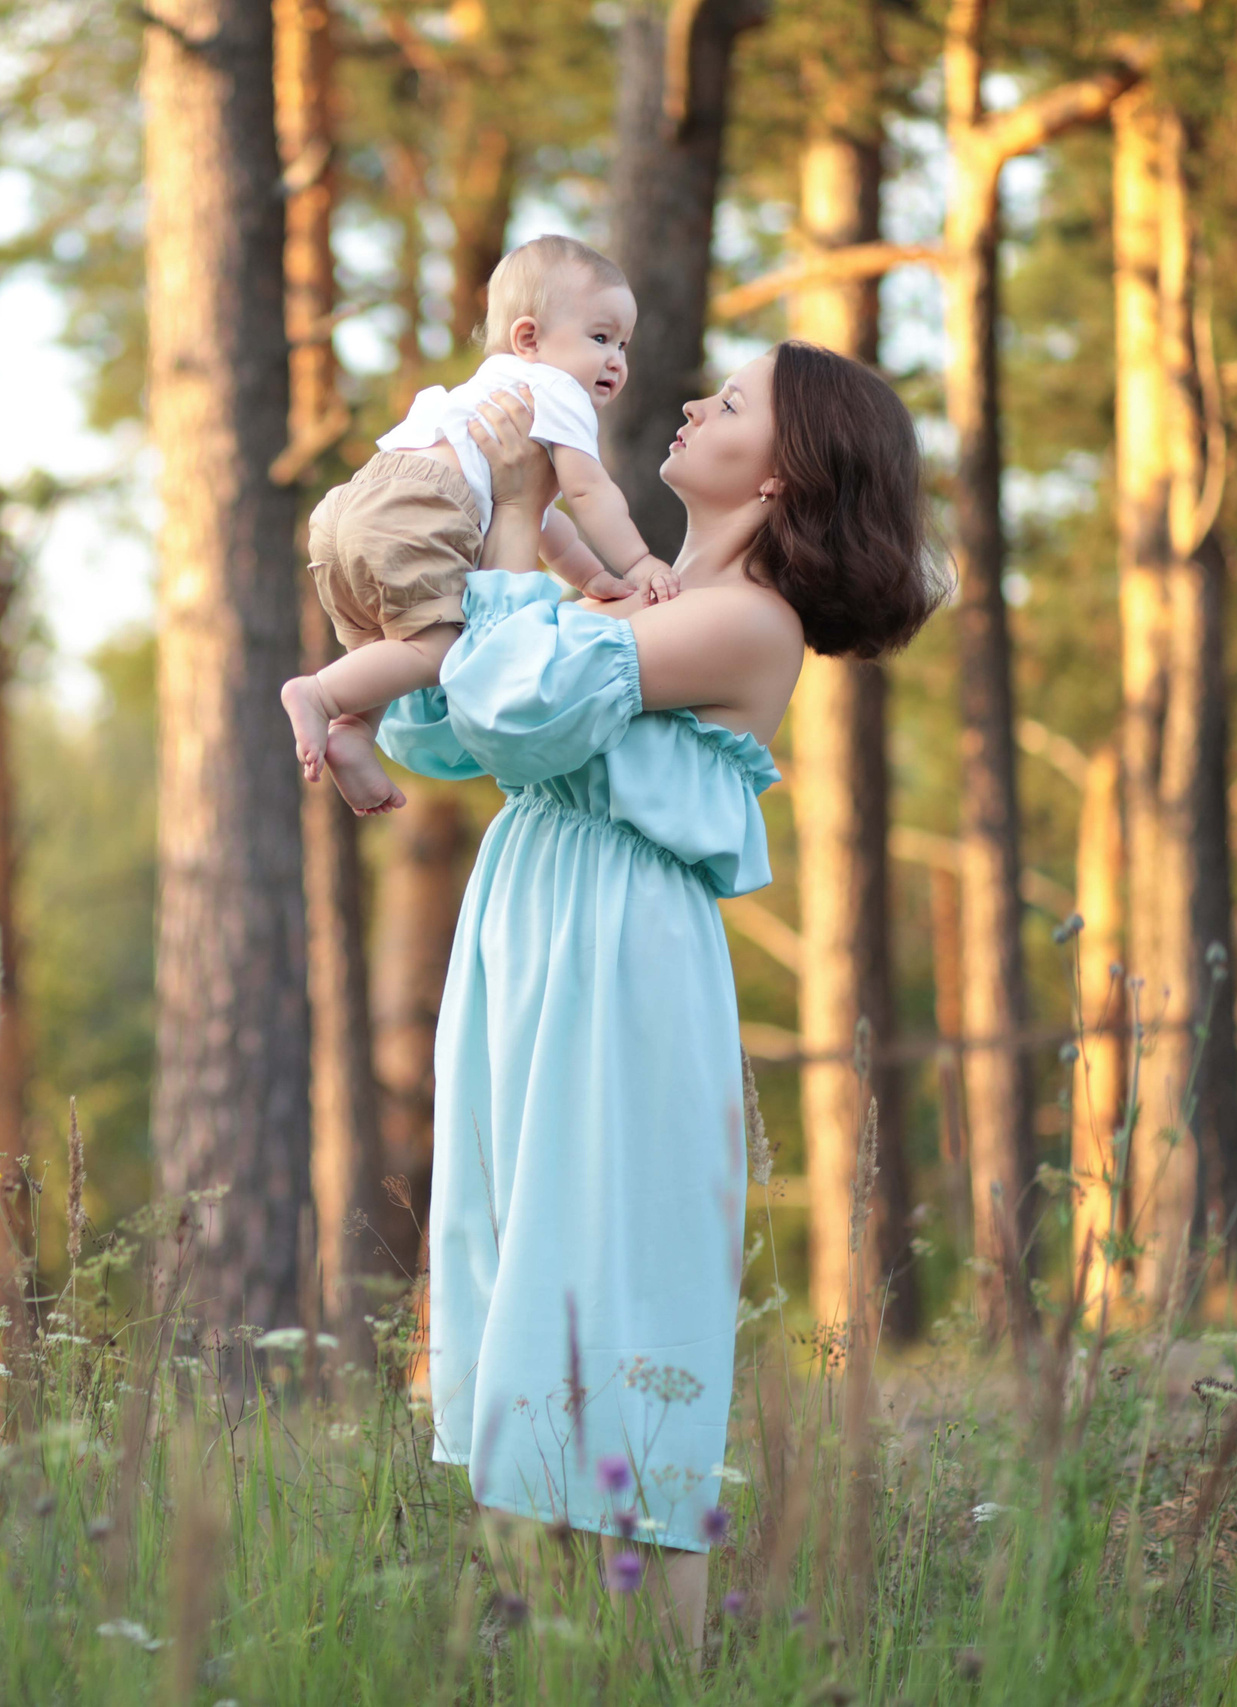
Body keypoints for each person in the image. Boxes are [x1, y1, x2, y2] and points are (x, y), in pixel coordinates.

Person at [377, 341, 944, 1658]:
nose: (690, 403)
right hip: (530, 932)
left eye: (730, 401)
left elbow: (510, 706)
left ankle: (662, 1670)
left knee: (610, 1286)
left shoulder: (747, 619)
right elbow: (436, 729)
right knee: (518, 1272)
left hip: (620, 955)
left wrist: (514, 530)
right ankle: (539, 1653)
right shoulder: (631, 597)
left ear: (786, 472)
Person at [279, 236, 680, 817]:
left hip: (354, 505)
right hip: (420, 512)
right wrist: (638, 563)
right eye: (600, 338)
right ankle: (318, 694)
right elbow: (589, 492)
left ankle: (353, 730)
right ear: (529, 338)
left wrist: (591, 578)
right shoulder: (557, 389)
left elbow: (547, 522)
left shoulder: (489, 391)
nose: (617, 359)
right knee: (438, 649)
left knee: (391, 645)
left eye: (623, 344)